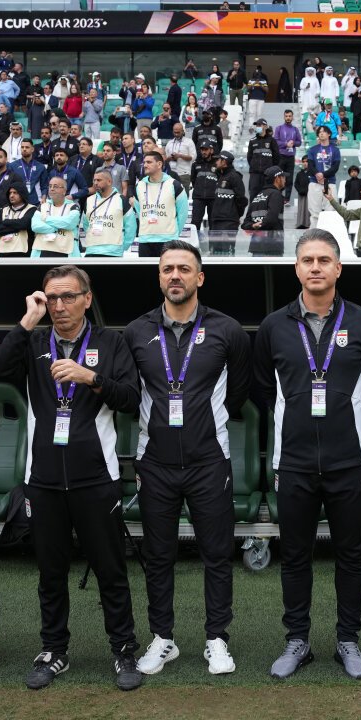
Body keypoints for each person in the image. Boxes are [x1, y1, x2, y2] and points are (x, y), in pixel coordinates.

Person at [0, 265, 142, 691]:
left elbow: (131, 399)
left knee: (110, 570)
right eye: (51, 298)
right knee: (50, 572)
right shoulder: (34, 341)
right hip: (42, 481)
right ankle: (54, 650)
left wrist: (90, 377)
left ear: (87, 299)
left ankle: (123, 650)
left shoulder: (111, 342)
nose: (59, 306)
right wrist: (27, 319)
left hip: (96, 478)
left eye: (68, 297)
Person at [253, 230, 361, 680]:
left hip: (349, 461)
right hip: (292, 463)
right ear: (296, 268)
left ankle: (348, 640)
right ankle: (298, 640)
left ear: (338, 268)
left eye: (324, 260)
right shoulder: (273, 326)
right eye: (307, 260)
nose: (315, 267)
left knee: (351, 556)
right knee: (295, 556)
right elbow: (262, 388)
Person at [121, 241, 251, 677]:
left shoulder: (227, 330)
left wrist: (202, 425)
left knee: (216, 554)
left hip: (209, 460)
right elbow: (128, 395)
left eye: (183, 268)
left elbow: (238, 394)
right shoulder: (136, 331)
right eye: (167, 269)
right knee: (158, 556)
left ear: (200, 277)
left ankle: (217, 639)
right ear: (159, 277)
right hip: (154, 462)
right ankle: (163, 639)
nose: (174, 275)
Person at [133, 152, 188, 257]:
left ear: (159, 164)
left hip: (168, 239)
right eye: (144, 162)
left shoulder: (174, 185)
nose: (145, 165)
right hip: (145, 240)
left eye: (149, 162)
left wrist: (173, 234)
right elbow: (139, 211)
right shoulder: (139, 185)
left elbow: (183, 213)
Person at [82, 168, 137, 257]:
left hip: (113, 252)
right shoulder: (89, 200)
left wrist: (123, 247)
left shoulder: (121, 200)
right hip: (91, 250)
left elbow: (131, 226)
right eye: (94, 180)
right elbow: (86, 224)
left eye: (99, 180)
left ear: (109, 182)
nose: (95, 183)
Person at [30, 177, 82, 259]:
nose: (52, 189)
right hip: (43, 251)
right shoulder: (42, 206)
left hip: (65, 252)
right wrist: (57, 228)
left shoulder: (73, 207)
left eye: (55, 186)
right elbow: (35, 226)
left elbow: (69, 223)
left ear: (64, 191)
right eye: (50, 186)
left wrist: (45, 219)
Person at [242, 167, 288, 256]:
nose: (285, 180)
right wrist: (261, 225)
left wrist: (253, 226)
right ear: (277, 178)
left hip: (256, 246)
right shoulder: (276, 194)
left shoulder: (257, 196)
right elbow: (271, 219)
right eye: (283, 177)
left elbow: (245, 224)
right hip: (272, 246)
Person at [305, 126, 340, 228]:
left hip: (329, 182)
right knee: (314, 212)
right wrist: (317, 174)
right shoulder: (312, 150)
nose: (321, 133)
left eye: (324, 132)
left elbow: (335, 167)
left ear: (329, 134)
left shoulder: (335, 150)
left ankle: (328, 233)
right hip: (314, 182)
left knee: (330, 211)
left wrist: (323, 175)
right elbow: (310, 165)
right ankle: (314, 234)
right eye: (319, 132)